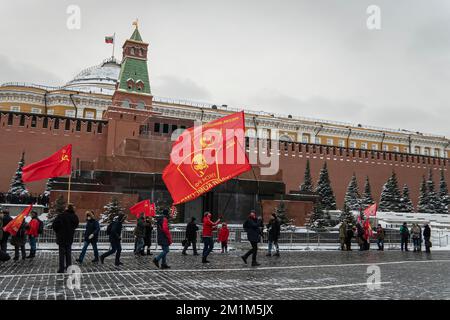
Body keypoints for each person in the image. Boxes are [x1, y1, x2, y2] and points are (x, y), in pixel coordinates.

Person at [52, 204, 80, 273]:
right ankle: (69, 268)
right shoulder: (74, 216)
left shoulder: (61, 215)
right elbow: (76, 225)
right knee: (68, 253)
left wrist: (58, 232)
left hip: (61, 237)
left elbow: (54, 225)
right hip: (69, 237)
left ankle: (61, 268)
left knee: (61, 254)